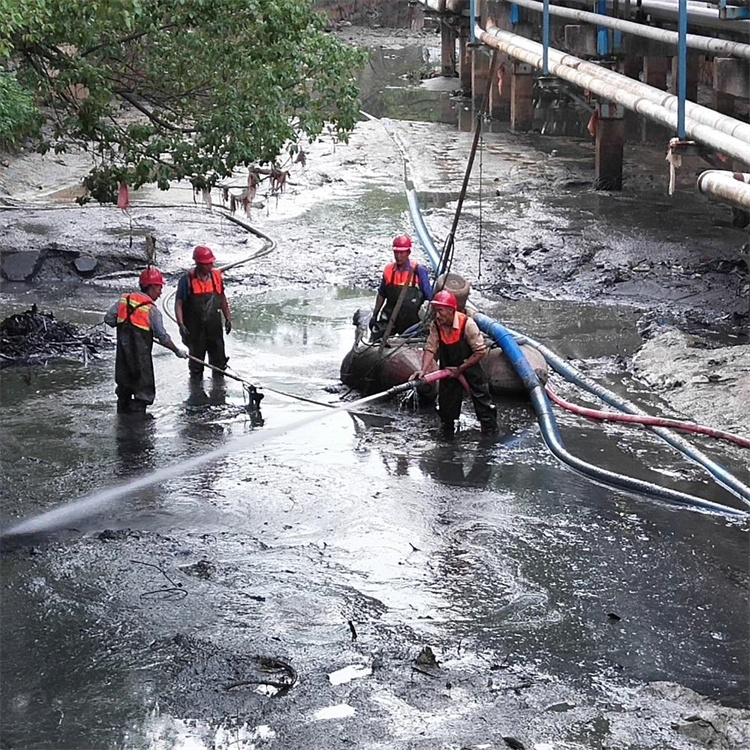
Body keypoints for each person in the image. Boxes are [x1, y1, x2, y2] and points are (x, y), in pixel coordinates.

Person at [412, 290, 498, 436]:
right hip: (448, 370)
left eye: (440, 311)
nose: (437, 316)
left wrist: (461, 368)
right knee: (446, 408)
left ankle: (489, 434)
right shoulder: (436, 325)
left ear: (452, 311)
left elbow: (480, 352)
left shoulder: (467, 324)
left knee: (482, 402)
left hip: (470, 368)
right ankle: (447, 434)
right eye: (435, 311)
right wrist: (423, 371)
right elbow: (430, 348)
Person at [104, 267, 188, 413]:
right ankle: (139, 430)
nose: (161, 293)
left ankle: (122, 425)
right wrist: (176, 350)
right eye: (159, 288)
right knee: (142, 396)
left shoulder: (124, 300)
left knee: (123, 394)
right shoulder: (152, 310)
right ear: (150, 287)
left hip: (123, 360)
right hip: (140, 363)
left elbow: (109, 319)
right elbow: (162, 337)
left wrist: (124, 322)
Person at [174, 245, 233, 377]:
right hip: (195, 331)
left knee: (219, 365)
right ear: (198, 264)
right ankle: (196, 393)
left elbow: (222, 297)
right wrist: (181, 324)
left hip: (214, 328)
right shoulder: (186, 281)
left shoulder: (216, 277)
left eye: (211, 263)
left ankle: (218, 393)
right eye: (207, 264)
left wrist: (228, 317)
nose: (210, 266)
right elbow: (178, 303)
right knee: (196, 366)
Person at [370, 235, 432, 341]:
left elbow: (429, 296)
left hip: (411, 320)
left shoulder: (419, 271)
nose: (398, 256)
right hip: (390, 317)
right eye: (396, 253)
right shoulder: (388, 270)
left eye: (402, 253)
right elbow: (382, 294)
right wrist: (375, 314)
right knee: (375, 340)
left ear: (408, 252)